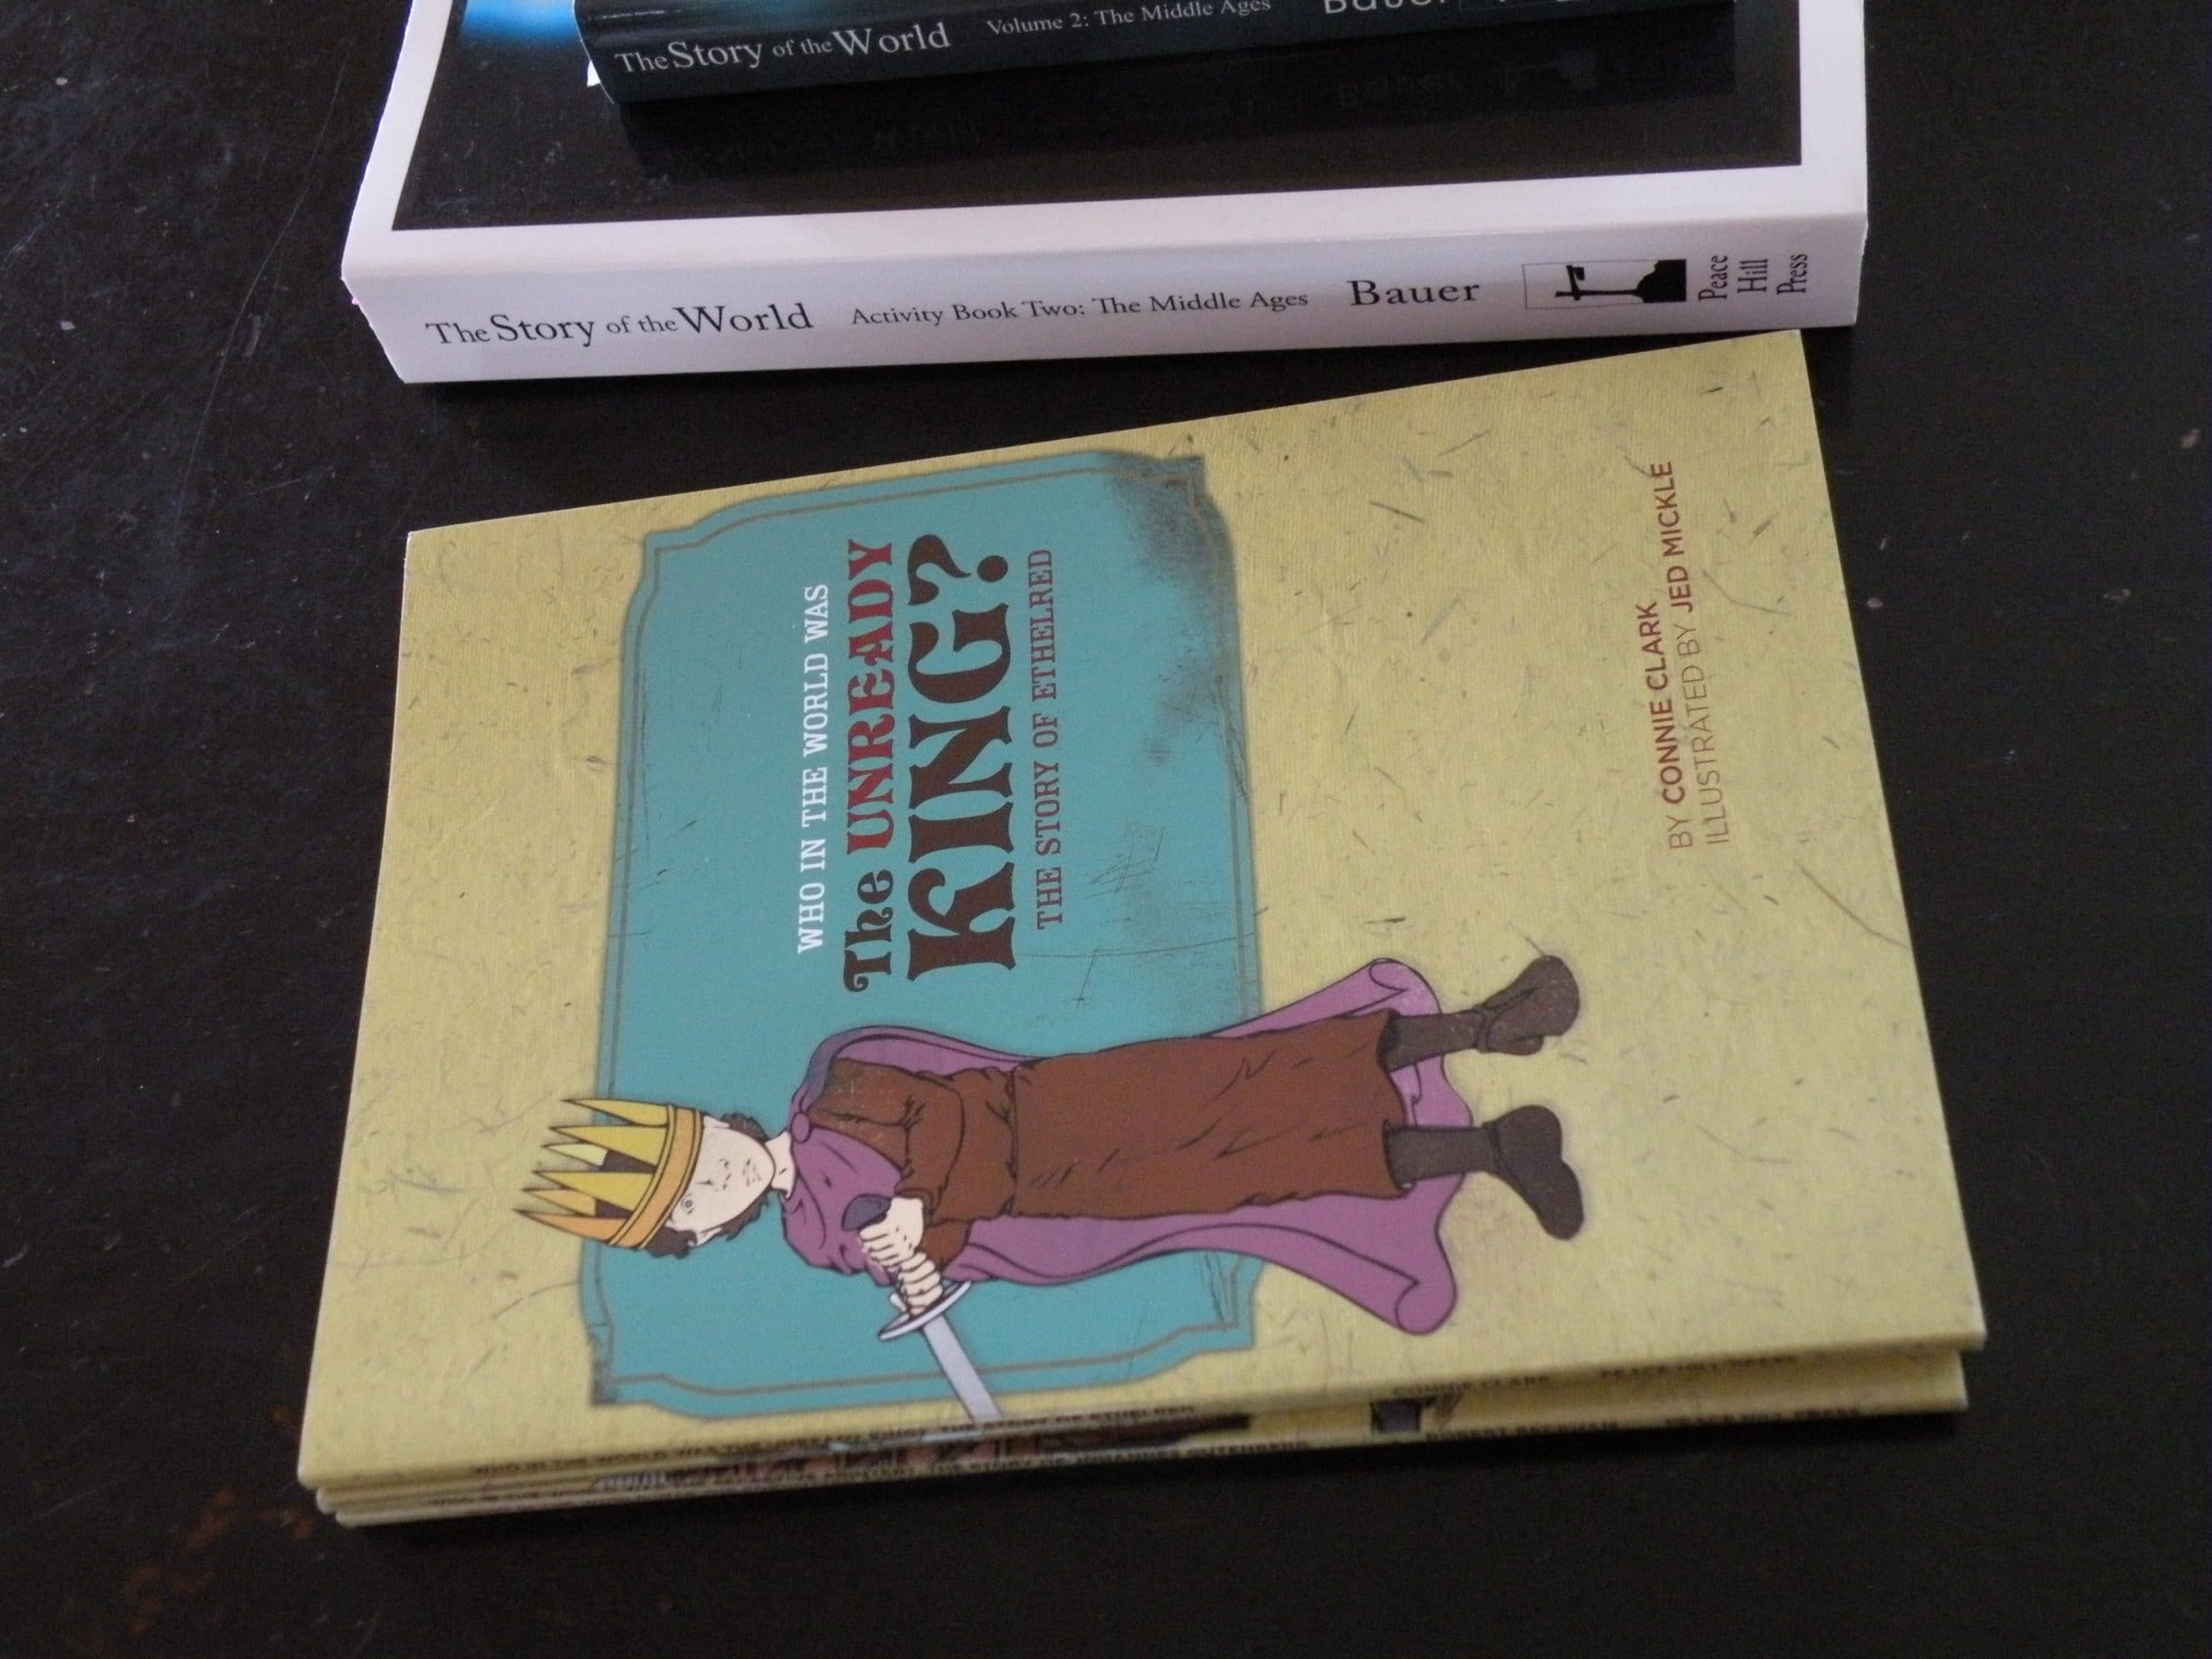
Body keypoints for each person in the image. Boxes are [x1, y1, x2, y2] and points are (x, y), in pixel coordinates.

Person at [524, 957, 1583, 1337]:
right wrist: (918, 1269)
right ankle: (1495, 1151)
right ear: (703, 1236)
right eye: (696, 1201)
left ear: (717, 1123)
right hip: (1064, 1198)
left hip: (1062, 1111)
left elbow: (952, 1113)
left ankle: (1488, 1024)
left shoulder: (832, 1088)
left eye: (701, 1155)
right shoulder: (809, 1239)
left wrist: (920, 1210)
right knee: (1269, 1174)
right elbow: (938, 1255)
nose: (717, 1179)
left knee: (1262, 1078)